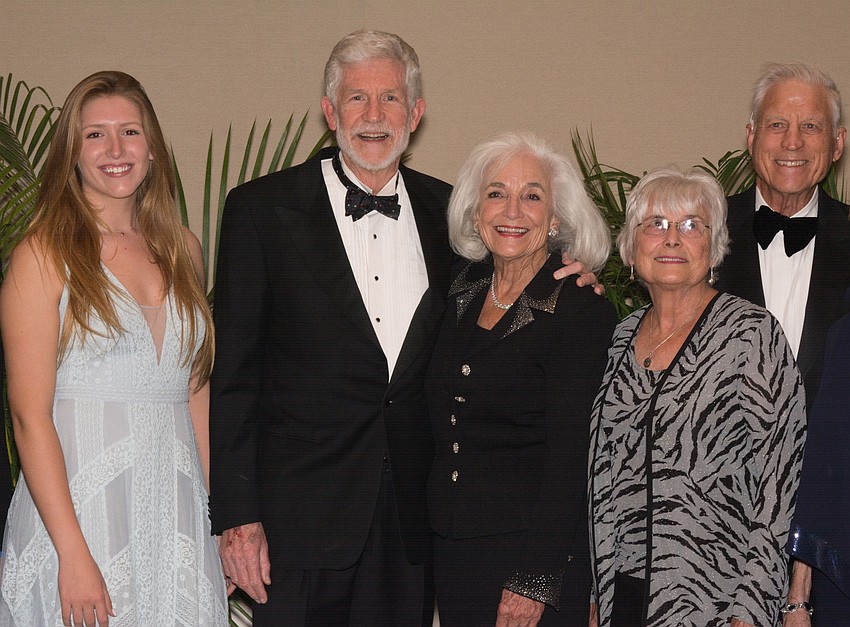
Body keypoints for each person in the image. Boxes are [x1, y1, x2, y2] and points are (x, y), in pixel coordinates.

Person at [209, 30, 597, 626]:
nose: (373, 116)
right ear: (329, 111)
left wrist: (574, 271)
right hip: (298, 526)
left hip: (414, 531)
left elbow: (518, 266)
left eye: (389, 99)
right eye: (357, 99)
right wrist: (238, 516)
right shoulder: (259, 211)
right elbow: (233, 378)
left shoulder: (453, 218)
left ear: (415, 114)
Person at [0, 71, 227, 626]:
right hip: (80, 516)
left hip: (176, 511)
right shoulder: (42, 255)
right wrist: (73, 553)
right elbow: (30, 418)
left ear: (152, 147)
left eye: (130, 131)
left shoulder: (185, 251)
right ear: (71, 154)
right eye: (95, 134)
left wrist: (218, 519)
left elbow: (195, 395)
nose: (116, 149)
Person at [589, 167, 806, 627]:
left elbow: (780, 479)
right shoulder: (620, 337)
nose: (672, 239)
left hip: (717, 600)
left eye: (691, 225)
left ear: (713, 248)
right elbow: (604, 479)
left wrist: (752, 608)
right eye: (656, 224)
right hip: (623, 595)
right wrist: (598, 595)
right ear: (630, 248)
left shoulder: (751, 334)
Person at [426, 132, 615, 627]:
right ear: (474, 212)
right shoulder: (460, 290)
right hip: (452, 550)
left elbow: (573, 455)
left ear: (555, 219)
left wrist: (534, 578)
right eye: (496, 193)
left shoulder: (579, 308)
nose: (512, 210)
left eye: (532, 195)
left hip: (530, 562)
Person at [713, 62, 850, 626]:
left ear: (837, 144)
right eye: (776, 125)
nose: (792, 142)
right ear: (750, 137)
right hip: (716, 534)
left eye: (811, 127)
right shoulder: (695, 237)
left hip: (834, 535)